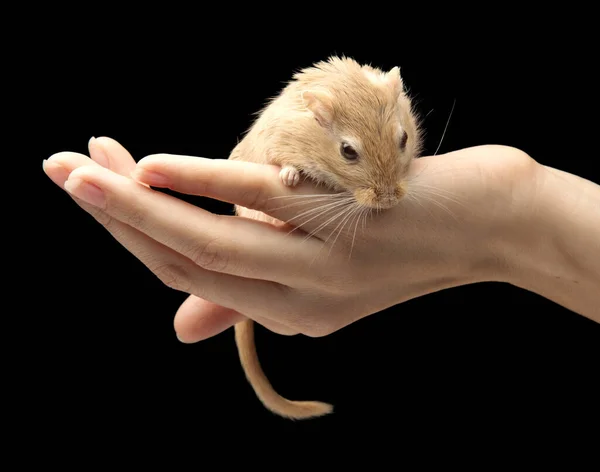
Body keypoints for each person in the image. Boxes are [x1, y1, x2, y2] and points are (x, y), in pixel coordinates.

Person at [42, 137, 600, 342]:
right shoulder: (311, 122)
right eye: (353, 154)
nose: (387, 189)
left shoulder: (389, 112)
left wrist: (518, 211)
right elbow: (284, 139)